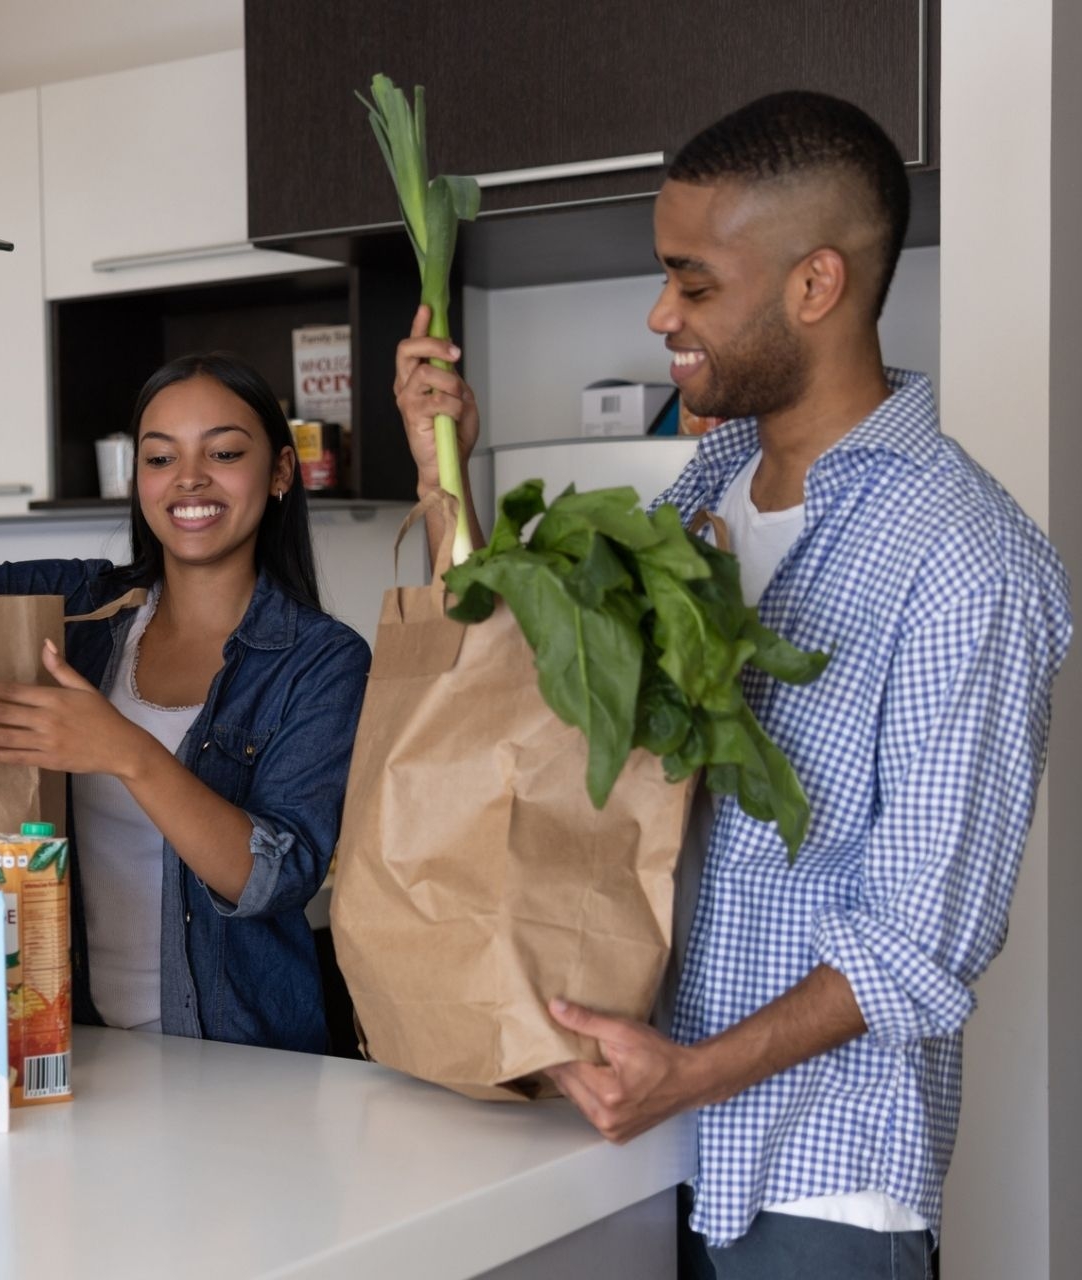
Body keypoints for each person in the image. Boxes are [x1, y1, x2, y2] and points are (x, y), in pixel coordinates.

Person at [399, 90, 1071, 1276]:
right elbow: (534, 680)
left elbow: (923, 935)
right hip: (636, 1148)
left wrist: (694, 1073)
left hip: (814, 1183)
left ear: (815, 285)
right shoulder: (696, 490)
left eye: (694, 283)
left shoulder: (966, 558)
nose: (660, 312)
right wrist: (439, 470)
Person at [0, 352, 371, 1053]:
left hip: (242, 1061)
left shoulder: (323, 661)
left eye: (225, 452)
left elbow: (275, 877)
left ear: (278, 473)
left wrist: (124, 751)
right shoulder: (88, 609)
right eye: (159, 458)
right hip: (76, 1047)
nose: (188, 479)